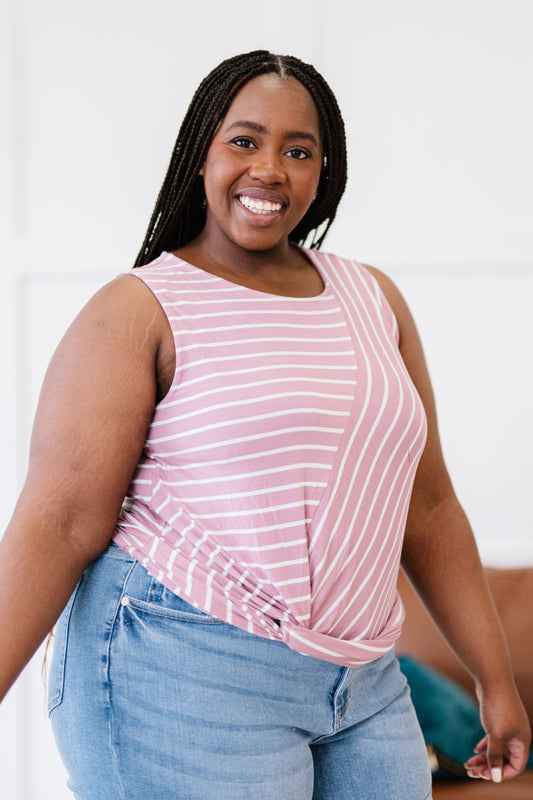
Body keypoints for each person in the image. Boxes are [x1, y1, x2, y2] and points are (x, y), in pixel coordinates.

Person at [0, 50, 529, 800]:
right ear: (201, 153)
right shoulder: (138, 310)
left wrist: (492, 676)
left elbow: (429, 504)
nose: (270, 169)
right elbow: (57, 523)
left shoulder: (371, 299)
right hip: (179, 668)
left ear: (324, 170)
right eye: (243, 141)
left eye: (298, 149)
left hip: (362, 679)